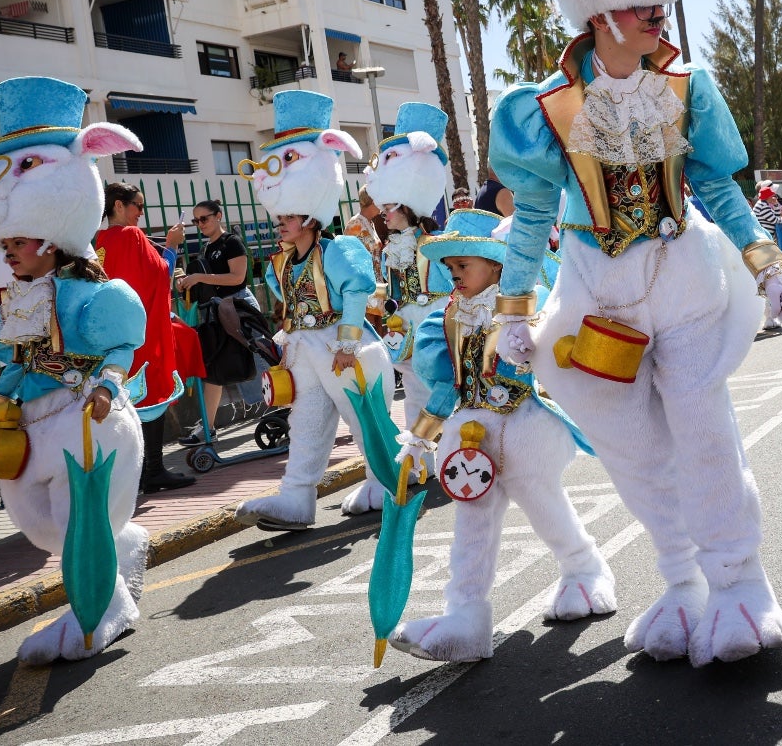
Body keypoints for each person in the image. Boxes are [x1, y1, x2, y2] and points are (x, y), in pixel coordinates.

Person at [469, 0, 782, 666]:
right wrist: (512, 309)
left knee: (702, 428)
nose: (660, 13)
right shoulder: (540, 108)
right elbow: (531, 215)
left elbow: (721, 189)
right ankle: (684, 581)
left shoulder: (692, 88)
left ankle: (741, 584)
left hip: (686, 274)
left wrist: (768, 269)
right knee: (630, 447)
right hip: (594, 287)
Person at [0, 77, 149, 663]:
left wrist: (107, 385)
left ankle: (100, 614)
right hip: (33, 422)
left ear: (49, 240)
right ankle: (123, 548)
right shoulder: (21, 299)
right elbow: (18, 362)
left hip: (85, 417)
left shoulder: (95, 296)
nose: (9, 251)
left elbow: (121, 349)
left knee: (79, 520)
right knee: (29, 517)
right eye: (7, 243)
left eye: (20, 240)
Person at [388, 209, 614, 661]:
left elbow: (553, 354)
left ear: (495, 264)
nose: (453, 275)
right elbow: (446, 386)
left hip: (528, 425)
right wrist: (419, 440)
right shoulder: (450, 316)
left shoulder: (529, 301)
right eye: (449, 268)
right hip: (472, 437)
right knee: (472, 523)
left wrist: (532, 341)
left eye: (463, 265)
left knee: (542, 504)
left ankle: (584, 568)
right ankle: (466, 617)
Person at [232, 90, 398, 530]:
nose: (280, 222)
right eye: (279, 216)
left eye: (288, 216)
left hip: (347, 348)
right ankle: (296, 498)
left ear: (309, 215)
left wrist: (347, 345)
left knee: (364, 419)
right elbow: (290, 309)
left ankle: (386, 479)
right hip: (306, 349)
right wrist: (287, 343)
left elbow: (359, 295)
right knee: (304, 424)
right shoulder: (280, 263)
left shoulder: (340, 249)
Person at [364, 102, 456, 438]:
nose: (384, 215)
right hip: (403, 331)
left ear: (408, 205)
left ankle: (452, 449)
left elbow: (457, 289)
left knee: (443, 391)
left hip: (434, 327)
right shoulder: (391, 249)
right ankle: (419, 459)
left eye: (389, 208)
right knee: (415, 394)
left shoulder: (438, 243)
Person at [97, 182, 195, 492]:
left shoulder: (99, 239)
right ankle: (153, 470)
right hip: (139, 334)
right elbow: (161, 275)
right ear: (118, 206)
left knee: (123, 404)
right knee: (149, 395)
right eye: (138, 206)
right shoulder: (131, 235)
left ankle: (135, 474)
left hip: (111, 335)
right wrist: (172, 245)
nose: (141, 212)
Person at [176, 200, 261, 445]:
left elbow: (238, 278)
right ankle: (208, 426)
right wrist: (187, 282)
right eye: (196, 220)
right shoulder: (207, 249)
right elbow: (212, 283)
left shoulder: (231, 242)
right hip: (218, 311)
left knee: (260, 360)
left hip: (238, 310)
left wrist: (199, 276)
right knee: (213, 369)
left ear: (218, 216)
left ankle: (291, 408)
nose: (200, 224)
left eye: (205, 218)